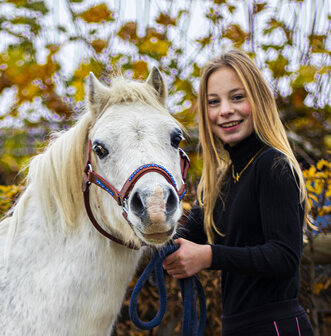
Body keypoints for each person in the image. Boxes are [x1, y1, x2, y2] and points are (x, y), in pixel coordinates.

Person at [163, 49, 314, 335]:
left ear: (257, 100)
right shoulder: (219, 181)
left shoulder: (273, 166)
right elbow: (176, 243)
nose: (225, 111)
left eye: (237, 97)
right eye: (213, 102)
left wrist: (209, 256)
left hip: (277, 327)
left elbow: (284, 257)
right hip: (237, 327)